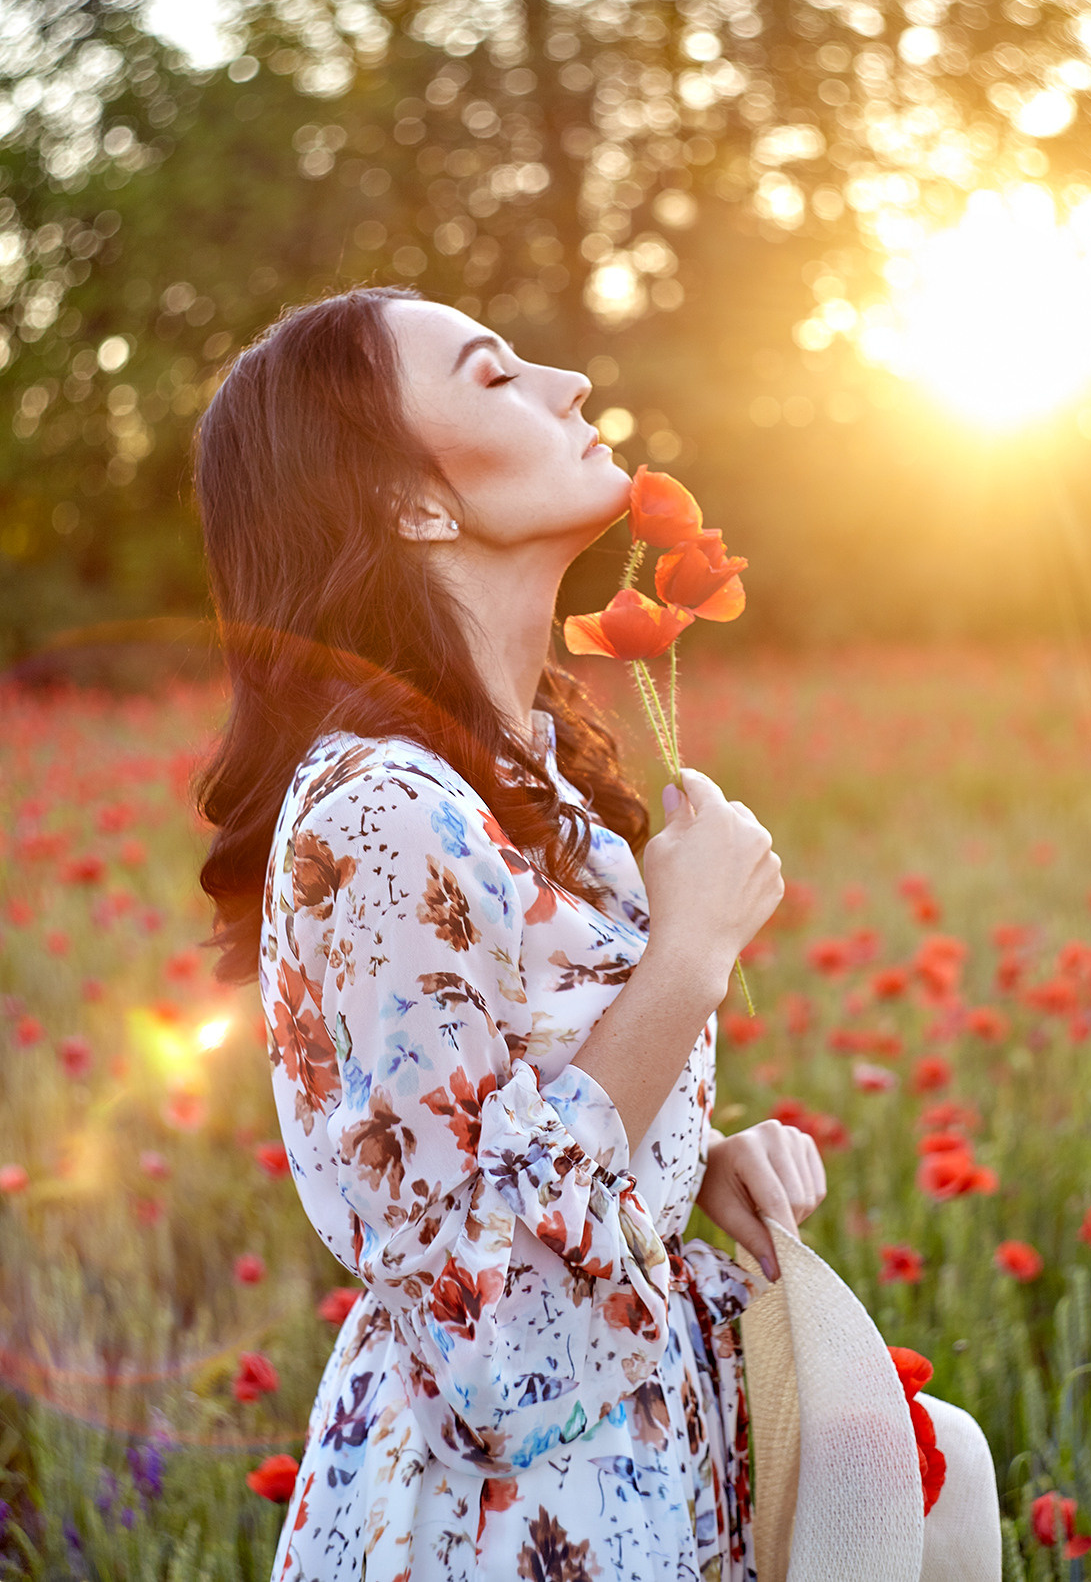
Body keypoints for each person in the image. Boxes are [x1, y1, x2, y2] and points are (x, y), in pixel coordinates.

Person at [193, 286, 826, 1582]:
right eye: (490, 376)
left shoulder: (522, 783)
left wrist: (685, 1161)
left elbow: (501, 1131)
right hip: (492, 1519)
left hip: (628, 1472)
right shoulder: (378, 812)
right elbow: (472, 1293)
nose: (568, 384)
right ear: (408, 504)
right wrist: (688, 958)